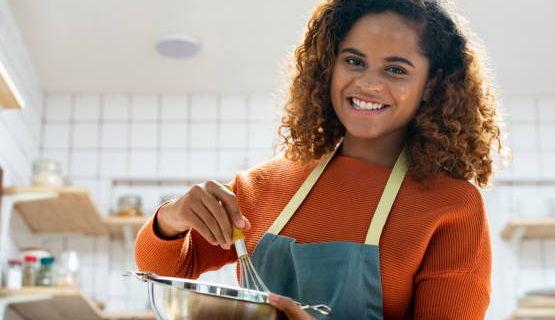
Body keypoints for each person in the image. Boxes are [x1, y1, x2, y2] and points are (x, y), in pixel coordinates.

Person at [135, 0, 505, 319]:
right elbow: (163, 267)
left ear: (432, 85)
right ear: (331, 67)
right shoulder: (263, 186)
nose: (369, 85)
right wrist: (172, 219)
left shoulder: (451, 207)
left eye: (396, 69)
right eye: (354, 61)